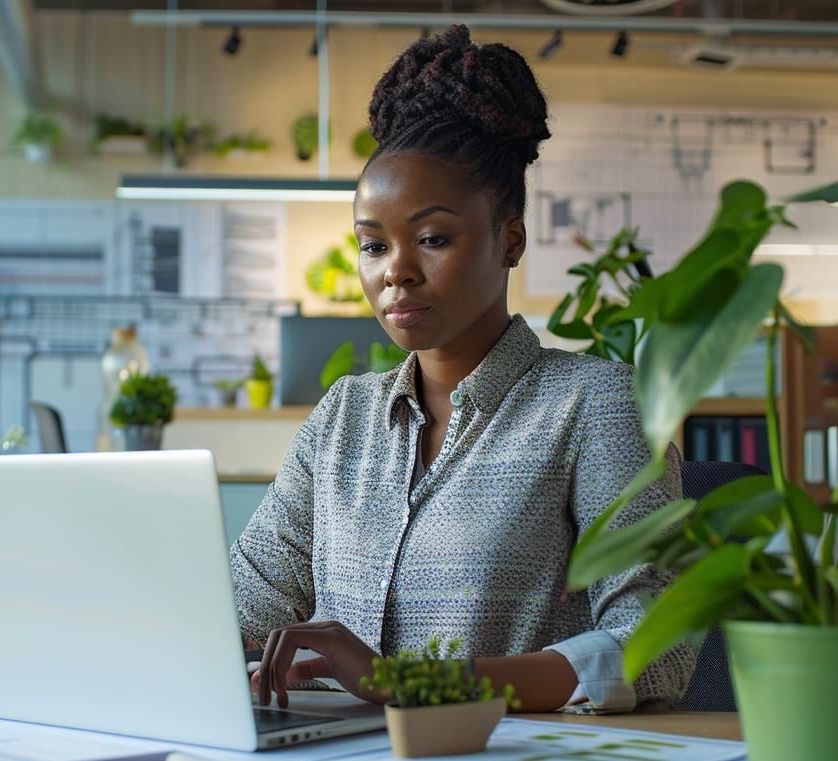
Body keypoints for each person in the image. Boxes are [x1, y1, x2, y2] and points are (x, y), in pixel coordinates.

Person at [232, 25, 692, 714]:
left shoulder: (596, 404)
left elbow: (656, 647)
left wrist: (415, 686)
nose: (396, 273)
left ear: (510, 240)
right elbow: (247, 606)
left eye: (432, 238)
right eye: (372, 245)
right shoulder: (342, 419)